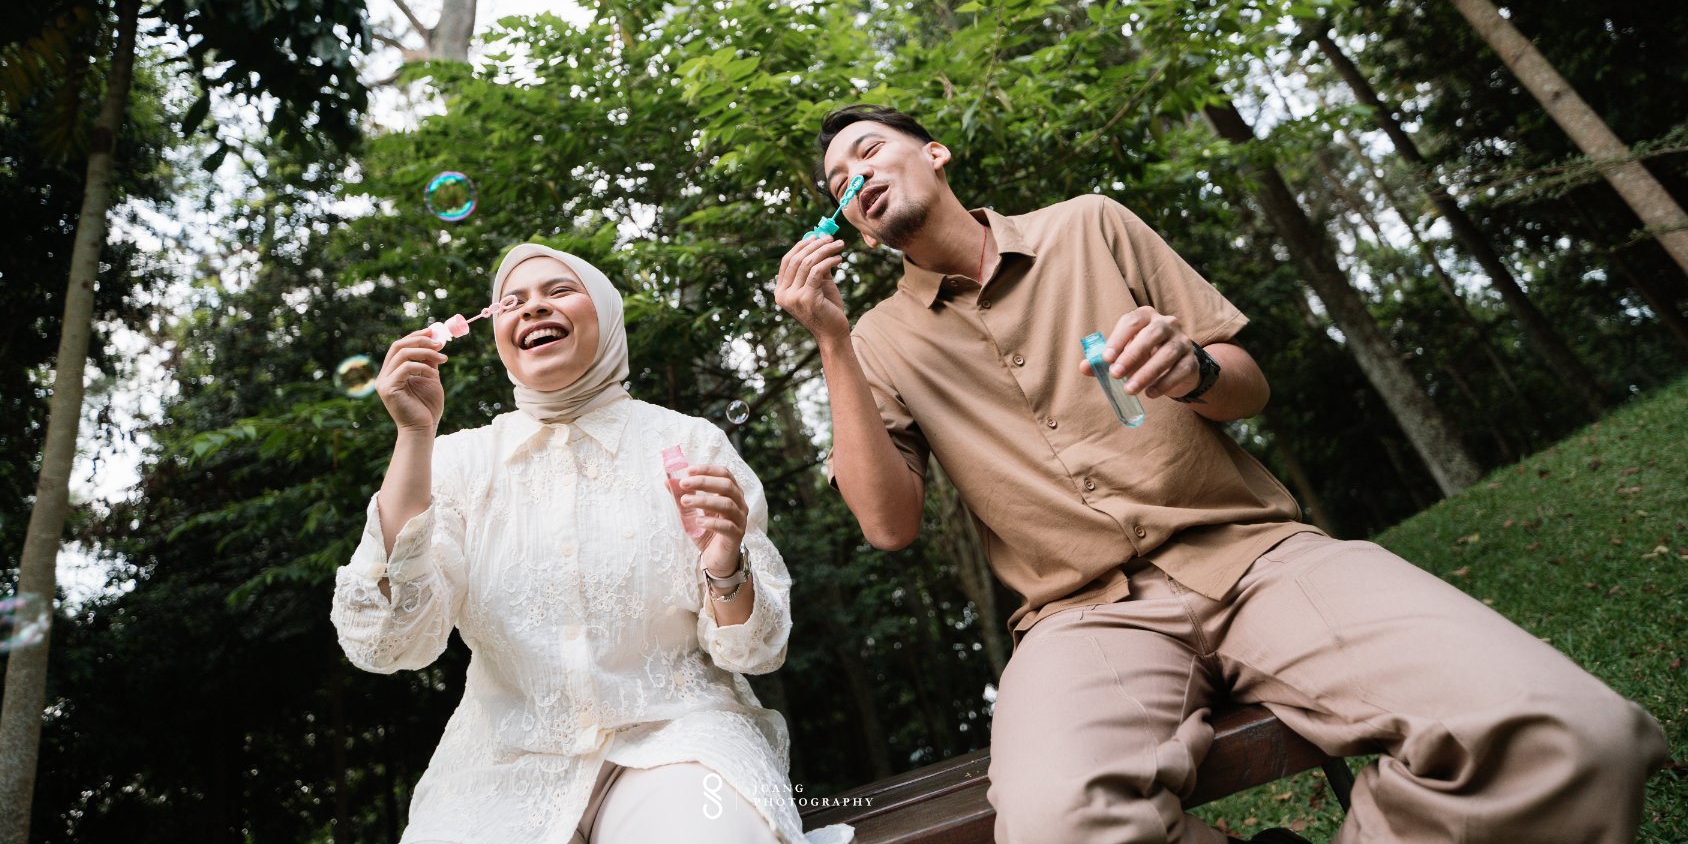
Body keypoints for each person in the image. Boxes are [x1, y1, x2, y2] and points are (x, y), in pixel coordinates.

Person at [773, 104, 1668, 844]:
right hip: (1080, 618)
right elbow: (888, 524)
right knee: (1056, 827)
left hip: (1260, 556)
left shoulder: (1091, 224)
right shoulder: (875, 341)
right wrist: (833, 343)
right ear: (851, 226)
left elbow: (1247, 385)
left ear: (935, 152)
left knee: (1572, 735)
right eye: (838, 183)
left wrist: (1192, 370)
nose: (855, 177)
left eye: (869, 150)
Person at [333, 243, 844, 844]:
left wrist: (725, 565)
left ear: (605, 313)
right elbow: (390, 642)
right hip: (502, 767)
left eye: (558, 291)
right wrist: (413, 435)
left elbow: (754, 653)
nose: (532, 308)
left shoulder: (689, 443)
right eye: (512, 302)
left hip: (679, 743)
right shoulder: (455, 463)